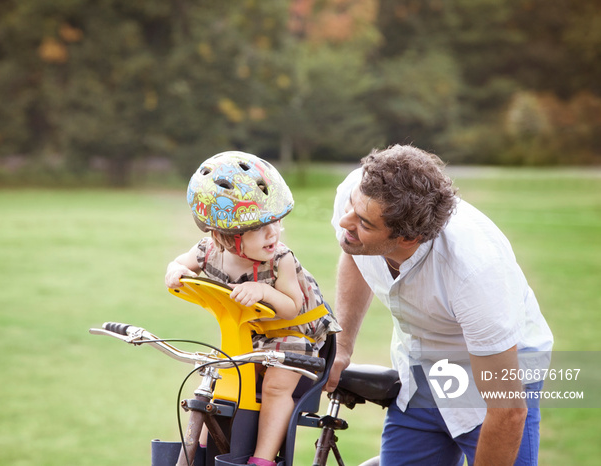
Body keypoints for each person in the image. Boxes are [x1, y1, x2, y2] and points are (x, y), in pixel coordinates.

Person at [326, 145, 553, 466]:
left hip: (496, 384)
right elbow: (354, 251)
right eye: (352, 206)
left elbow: (508, 411)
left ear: (408, 238)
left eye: (364, 223)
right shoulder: (361, 194)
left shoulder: (473, 270)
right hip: (419, 373)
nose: (346, 221)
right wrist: (343, 344)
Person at [165, 151, 341, 466]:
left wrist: (264, 290)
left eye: (276, 222)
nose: (274, 233)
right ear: (225, 235)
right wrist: (176, 271)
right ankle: (200, 455)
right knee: (217, 382)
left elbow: (291, 307)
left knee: (275, 386)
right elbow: (181, 264)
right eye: (261, 228)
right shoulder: (208, 251)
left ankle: (262, 459)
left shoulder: (280, 260)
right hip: (251, 335)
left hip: (295, 334)